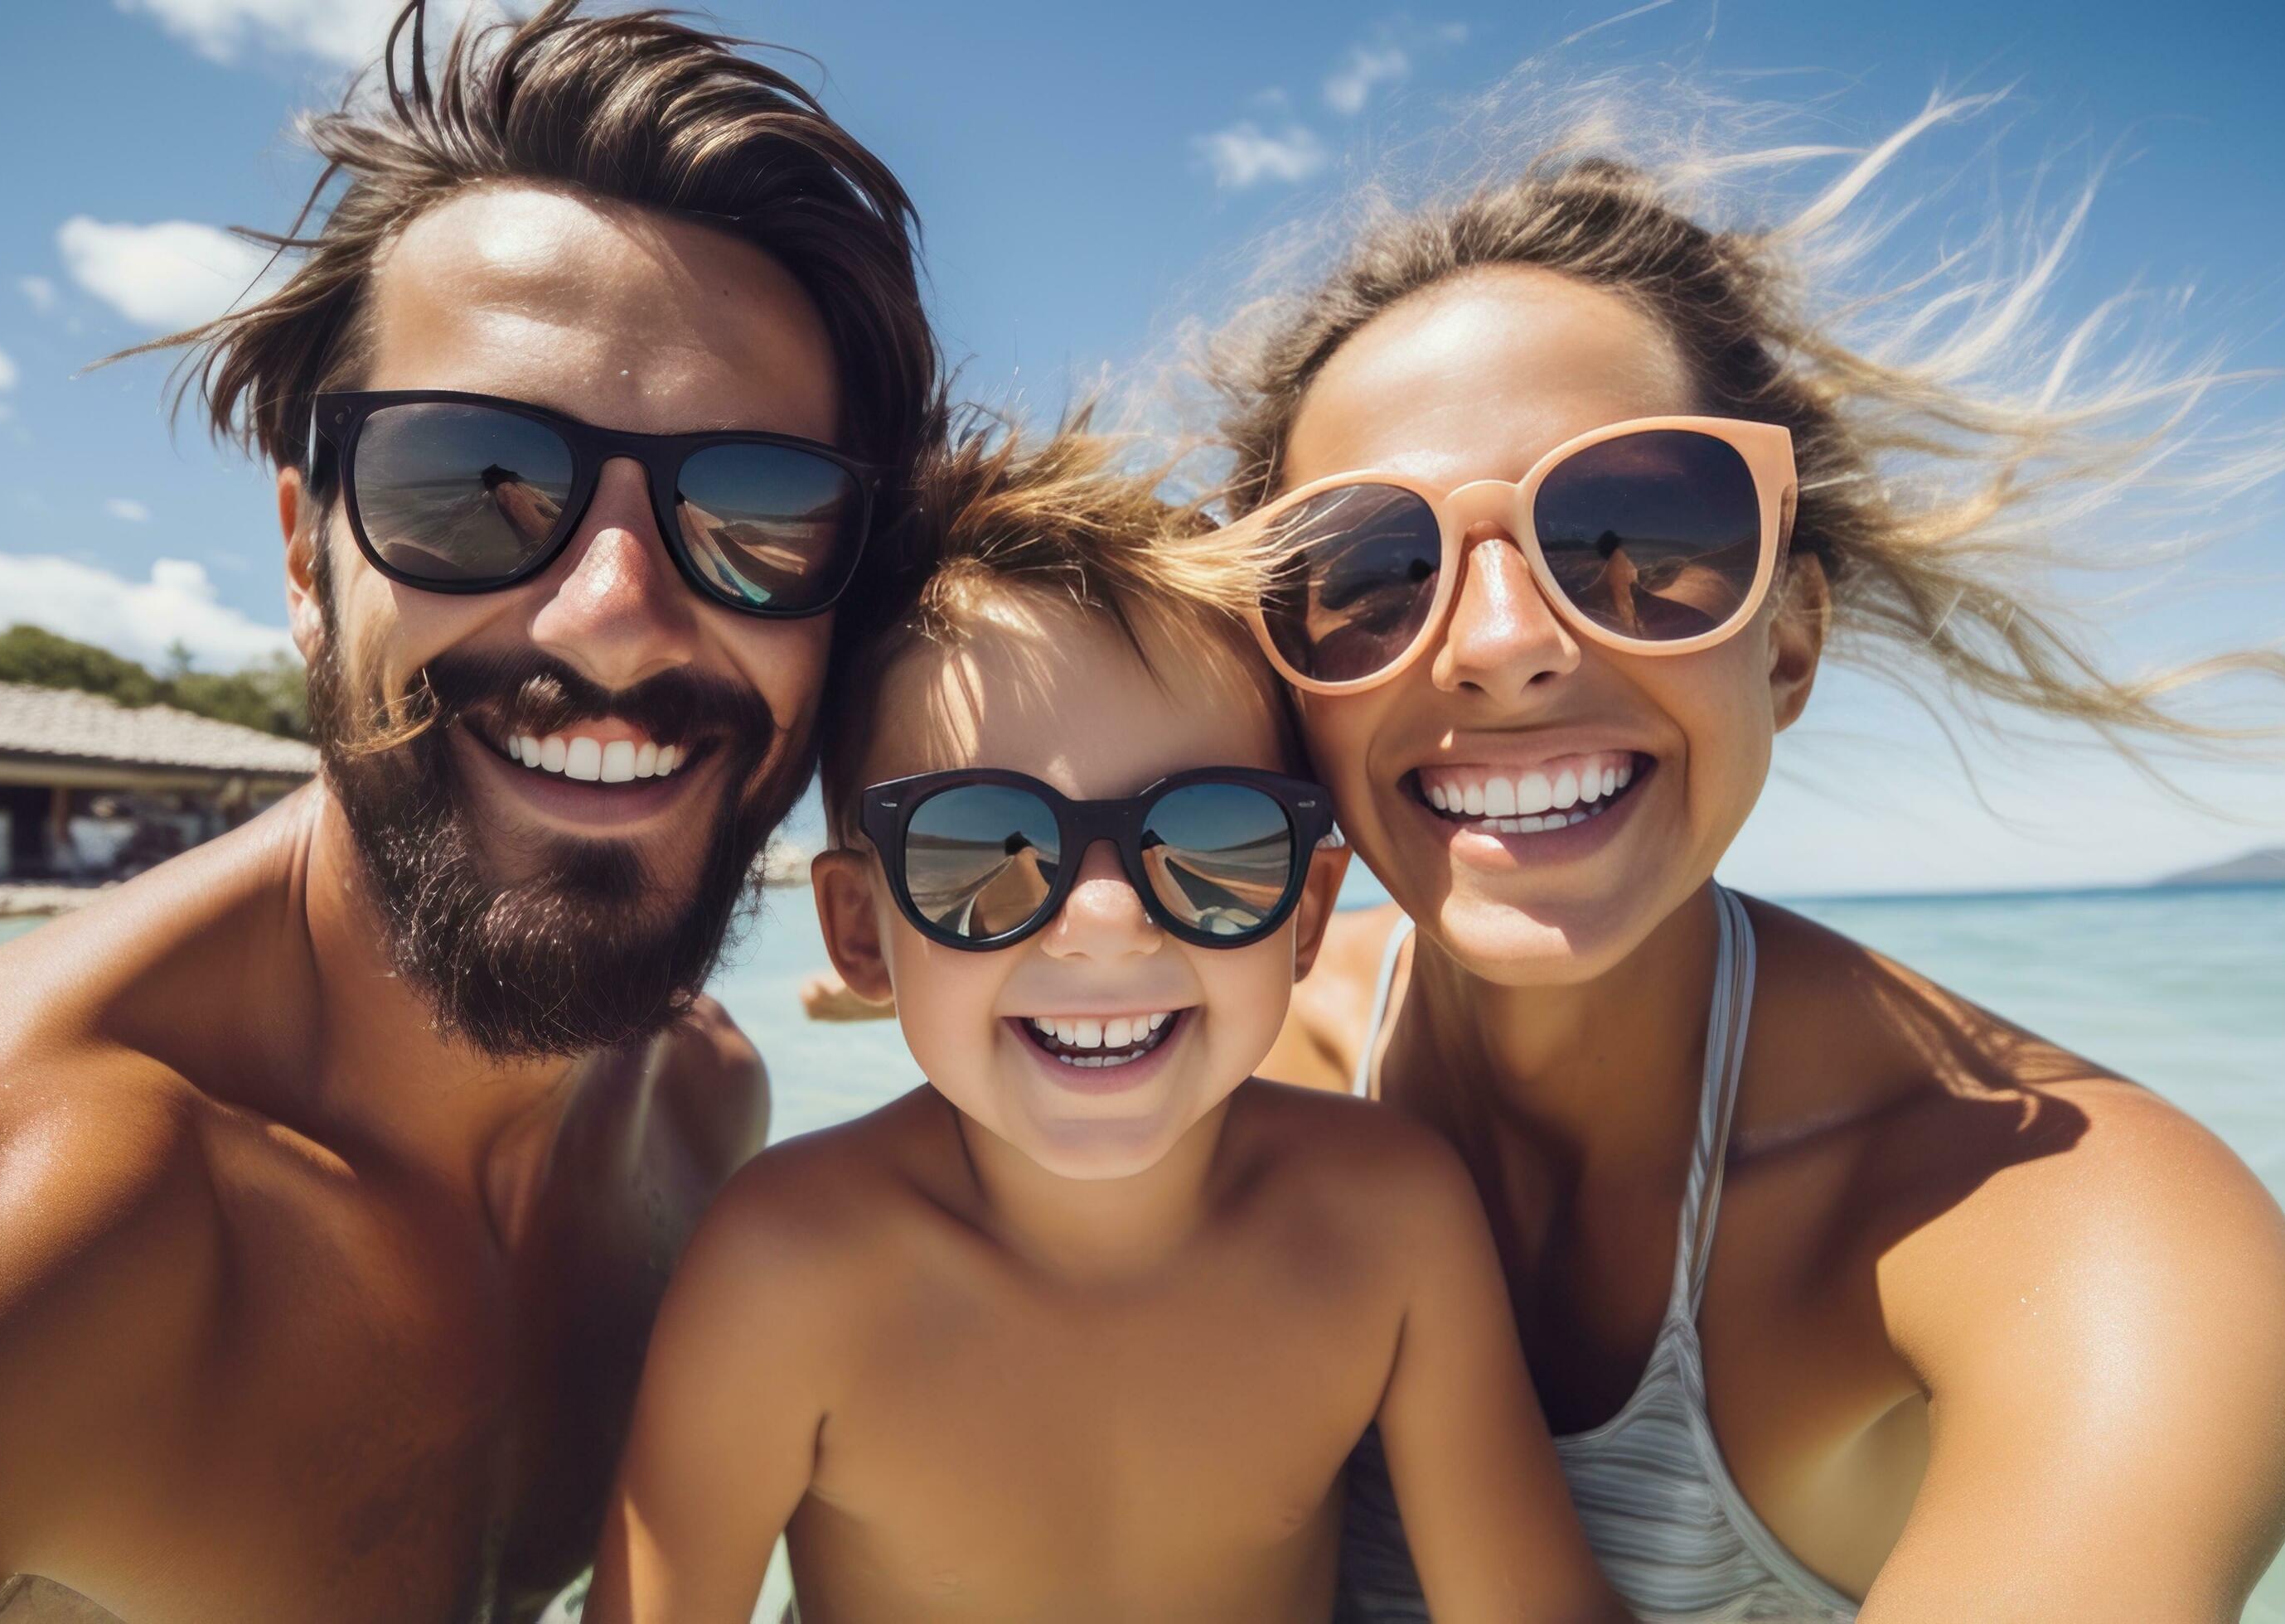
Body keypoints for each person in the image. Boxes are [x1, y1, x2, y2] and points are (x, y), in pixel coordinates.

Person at [0, 5, 935, 1619]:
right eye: (472, 482)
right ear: (310, 559)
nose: (614, 616)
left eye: (758, 517)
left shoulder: (694, 1118)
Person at [1217, 121, 2285, 1619]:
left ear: (1786, 637)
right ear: (1287, 681)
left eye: (1632, 535)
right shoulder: (1231, 1064)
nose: (1498, 646)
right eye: (1366, 576)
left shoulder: (2083, 1245)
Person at [585, 429, 1624, 1624]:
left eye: (1214, 841)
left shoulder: (1389, 1222)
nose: (1102, 920)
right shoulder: (788, 1269)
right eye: (978, 843)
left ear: (1303, 913)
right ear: (861, 931)